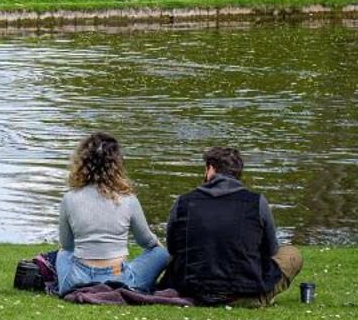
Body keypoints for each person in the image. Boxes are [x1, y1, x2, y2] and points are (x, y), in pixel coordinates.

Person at [162, 146, 303, 307]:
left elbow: (172, 248)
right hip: (242, 288)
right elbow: (271, 250)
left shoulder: (183, 202)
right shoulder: (256, 202)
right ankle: (255, 299)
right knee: (292, 254)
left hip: (191, 288)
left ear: (211, 169)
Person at [55, 132, 168, 296]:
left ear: (81, 162)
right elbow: (147, 242)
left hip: (77, 280)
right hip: (119, 278)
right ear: (117, 164)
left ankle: (71, 282)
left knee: (63, 254)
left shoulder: (69, 198)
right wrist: (159, 245)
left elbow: (67, 245)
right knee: (160, 253)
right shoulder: (128, 199)